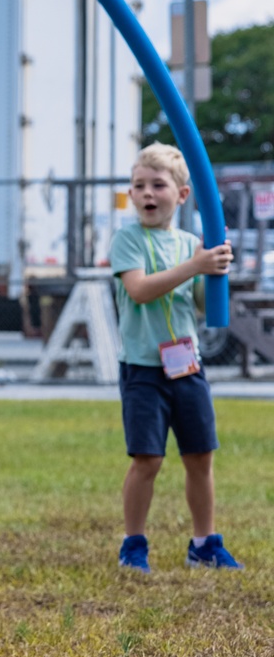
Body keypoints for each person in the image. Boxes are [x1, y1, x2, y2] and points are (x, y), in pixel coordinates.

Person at [109, 142, 241, 574]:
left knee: (200, 455)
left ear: (182, 195)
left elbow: (200, 303)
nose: (146, 194)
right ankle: (134, 544)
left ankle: (204, 543)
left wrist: (216, 271)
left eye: (157, 185)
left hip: (188, 366)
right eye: (138, 185)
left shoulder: (189, 244)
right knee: (147, 459)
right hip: (143, 368)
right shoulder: (127, 240)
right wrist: (195, 266)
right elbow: (140, 290)